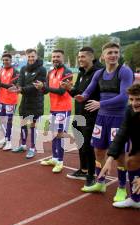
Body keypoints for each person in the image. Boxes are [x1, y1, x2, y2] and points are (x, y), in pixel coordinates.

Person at [76, 42, 134, 202]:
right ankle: (101, 182)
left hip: (119, 119)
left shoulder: (125, 71)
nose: (113, 55)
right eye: (110, 53)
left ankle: (122, 187)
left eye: (116, 52)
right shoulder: (99, 73)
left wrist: (101, 104)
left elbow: (124, 97)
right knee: (99, 151)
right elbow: (90, 88)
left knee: (120, 155)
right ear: (103, 56)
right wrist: (84, 96)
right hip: (101, 118)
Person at [63, 47, 103, 185]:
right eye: (79, 57)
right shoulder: (81, 73)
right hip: (79, 114)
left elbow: (90, 94)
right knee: (80, 143)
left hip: (91, 115)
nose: (80, 59)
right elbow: (78, 95)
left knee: (88, 145)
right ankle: (83, 169)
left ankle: (91, 176)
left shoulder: (98, 73)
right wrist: (69, 89)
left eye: (83, 57)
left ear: (91, 57)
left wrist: (72, 89)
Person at [99, 83, 140, 208]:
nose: (134, 103)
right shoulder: (129, 111)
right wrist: (109, 159)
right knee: (131, 162)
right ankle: (136, 200)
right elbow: (121, 135)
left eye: (138, 99)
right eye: (131, 99)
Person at [37, 50, 73, 173]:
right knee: (53, 134)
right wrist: (41, 88)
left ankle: (60, 161)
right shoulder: (51, 72)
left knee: (59, 134)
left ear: (63, 58)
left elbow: (62, 91)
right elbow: (46, 90)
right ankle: (54, 158)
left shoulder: (67, 72)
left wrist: (45, 87)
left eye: (58, 57)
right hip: (53, 108)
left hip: (63, 108)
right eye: (53, 57)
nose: (55, 59)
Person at [11, 48, 47, 158]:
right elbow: (20, 82)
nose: (31, 58)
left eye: (33, 56)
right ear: (26, 57)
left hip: (36, 101)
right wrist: (18, 87)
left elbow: (36, 87)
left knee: (32, 125)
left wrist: (21, 89)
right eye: (29, 57)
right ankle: (23, 145)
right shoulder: (23, 68)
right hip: (25, 101)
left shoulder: (42, 69)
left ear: (36, 57)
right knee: (22, 123)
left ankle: (32, 148)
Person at [0, 52, 20, 150]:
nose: (5, 62)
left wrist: (0, 85)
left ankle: (9, 141)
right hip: (2, 99)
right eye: (4, 60)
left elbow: (13, 86)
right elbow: (0, 84)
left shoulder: (15, 71)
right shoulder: (1, 71)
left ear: (11, 61)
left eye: (7, 60)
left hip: (11, 101)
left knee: (9, 121)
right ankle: (6, 137)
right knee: (2, 120)